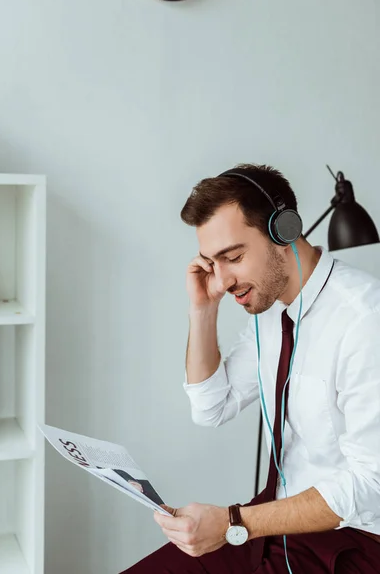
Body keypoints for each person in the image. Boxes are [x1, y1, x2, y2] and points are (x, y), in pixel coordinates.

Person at [120, 164, 380, 573]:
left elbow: (373, 487)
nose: (222, 280)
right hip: (274, 519)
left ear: (285, 231)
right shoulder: (269, 314)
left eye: (233, 257)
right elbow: (211, 407)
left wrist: (232, 522)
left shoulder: (365, 320)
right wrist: (203, 310)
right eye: (211, 262)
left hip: (354, 540)